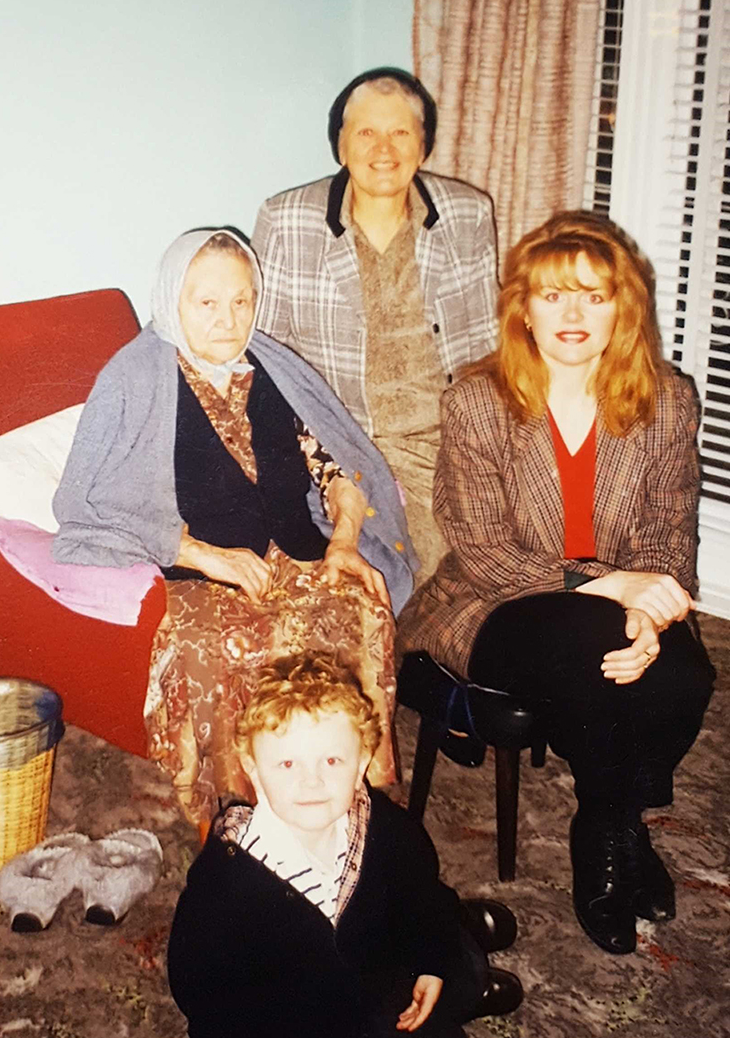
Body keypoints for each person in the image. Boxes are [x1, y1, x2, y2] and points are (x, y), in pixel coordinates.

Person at [397, 211, 715, 956]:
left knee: (686, 677)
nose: (572, 314)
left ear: (622, 309)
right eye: (552, 294)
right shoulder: (478, 400)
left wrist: (650, 614)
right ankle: (611, 845)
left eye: (594, 296)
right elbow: (484, 551)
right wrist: (618, 590)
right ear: (523, 309)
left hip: (619, 604)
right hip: (497, 605)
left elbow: (672, 531)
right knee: (597, 647)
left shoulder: (668, 400)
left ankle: (609, 819)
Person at [53, 228, 418, 830]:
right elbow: (92, 499)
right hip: (200, 573)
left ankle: (350, 802)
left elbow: (334, 465)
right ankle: (234, 818)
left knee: (361, 608)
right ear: (174, 299)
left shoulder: (274, 369)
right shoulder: (134, 378)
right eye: (207, 303)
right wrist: (203, 555)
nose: (228, 320)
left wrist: (345, 542)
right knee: (228, 643)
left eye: (242, 301)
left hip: (298, 554)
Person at [168, 654, 523, 1038]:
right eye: (287, 763)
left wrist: (431, 961)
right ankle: (467, 973)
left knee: (444, 951)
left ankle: (460, 947)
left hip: (382, 959)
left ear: (362, 763)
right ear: (251, 766)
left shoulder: (381, 826)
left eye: (332, 761)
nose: (311, 782)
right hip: (316, 1035)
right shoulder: (224, 892)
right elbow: (214, 1009)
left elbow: (419, 890)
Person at [252, 67, 498, 581]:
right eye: (366, 132)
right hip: (336, 444)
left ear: (423, 146)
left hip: (440, 443)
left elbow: (486, 345)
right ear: (340, 145)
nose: (383, 148)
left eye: (401, 132)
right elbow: (267, 360)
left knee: (465, 568)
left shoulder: (467, 214)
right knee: (361, 574)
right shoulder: (288, 219)